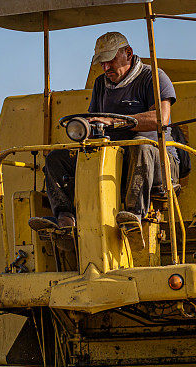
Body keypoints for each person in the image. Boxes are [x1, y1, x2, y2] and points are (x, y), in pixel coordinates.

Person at [28, 32, 180, 249]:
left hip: (159, 164)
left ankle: (133, 216)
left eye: (110, 61)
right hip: (115, 158)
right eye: (102, 63)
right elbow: (94, 119)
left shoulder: (153, 76)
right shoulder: (101, 84)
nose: (106, 67)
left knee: (141, 145)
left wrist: (112, 121)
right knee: (56, 158)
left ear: (128, 53)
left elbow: (161, 119)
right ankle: (65, 220)